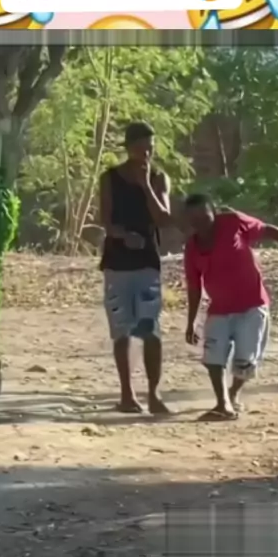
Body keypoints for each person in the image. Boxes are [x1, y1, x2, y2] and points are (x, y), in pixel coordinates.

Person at [183, 194, 278, 421]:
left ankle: (233, 394)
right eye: (194, 219)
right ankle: (223, 404)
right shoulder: (192, 247)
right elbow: (194, 287)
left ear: (214, 213)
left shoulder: (233, 222)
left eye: (204, 217)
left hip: (252, 305)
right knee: (213, 356)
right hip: (219, 309)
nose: (200, 223)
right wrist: (191, 322)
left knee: (245, 361)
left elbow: (267, 230)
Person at [99, 121, 172, 414]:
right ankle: (127, 394)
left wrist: (146, 187)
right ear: (129, 149)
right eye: (141, 148)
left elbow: (163, 218)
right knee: (121, 331)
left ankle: (154, 393)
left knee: (150, 329)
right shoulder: (110, 178)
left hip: (147, 264)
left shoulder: (159, 178)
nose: (146, 153)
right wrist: (123, 236)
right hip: (117, 264)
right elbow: (106, 221)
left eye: (150, 148)